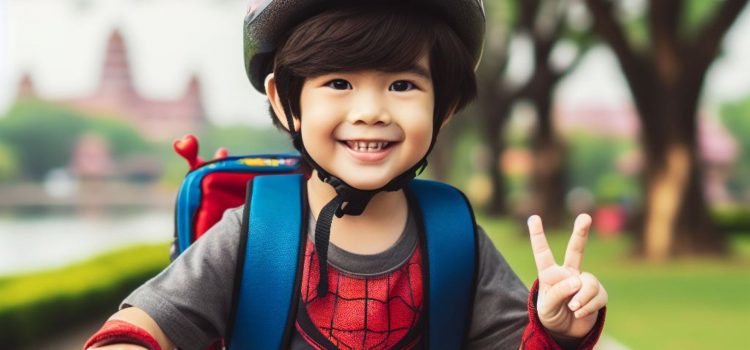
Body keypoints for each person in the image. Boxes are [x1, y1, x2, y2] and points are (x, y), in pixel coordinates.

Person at [84, 1, 607, 349]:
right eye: (338, 82)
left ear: (443, 106)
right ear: (284, 102)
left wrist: (557, 329)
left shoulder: (454, 237)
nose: (371, 111)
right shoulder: (257, 233)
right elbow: (144, 325)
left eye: (402, 85)